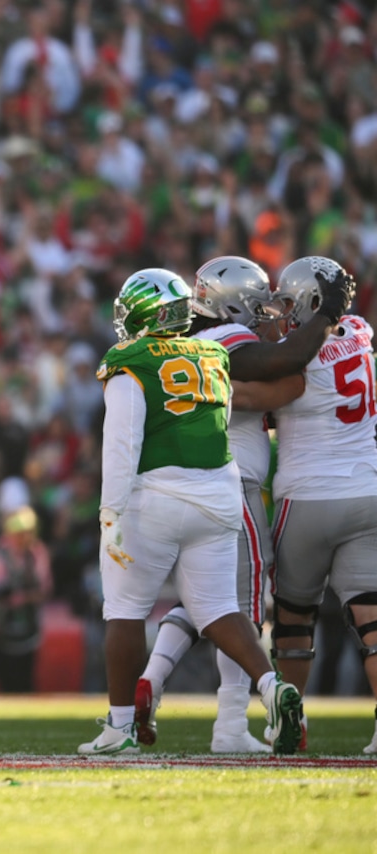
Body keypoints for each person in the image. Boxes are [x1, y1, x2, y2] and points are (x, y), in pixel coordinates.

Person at [134, 255, 354, 752]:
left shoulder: (187, 342)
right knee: (245, 603)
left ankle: (152, 677)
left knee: (206, 598)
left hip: (186, 483)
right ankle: (231, 724)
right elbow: (287, 366)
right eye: (257, 306)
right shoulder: (226, 339)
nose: (265, 316)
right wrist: (325, 316)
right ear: (231, 304)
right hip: (232, 481)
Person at [82, 267, 303, 756]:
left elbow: (122, 444)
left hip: (156, 496)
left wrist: (111, 516)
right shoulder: (213, 354)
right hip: (220, 495)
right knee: (218, 608)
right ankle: (271, 686)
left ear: (146, 311)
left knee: (124, 610)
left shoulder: (129, 359)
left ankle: (120, 728)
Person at [263, 256, 377, 755]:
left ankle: (294, 723)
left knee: (292, 621)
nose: (284, 313)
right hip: (368, 491)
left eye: (290, 303)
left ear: (312, 302)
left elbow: (284, 366)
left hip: (309, 496)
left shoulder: (293, 355)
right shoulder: (361, 329)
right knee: (372, 622)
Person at [0, 505, 53, 693]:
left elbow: (45, 589)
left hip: (30, 628)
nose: (24, 538)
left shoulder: (38, 553)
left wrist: (22, 598)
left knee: (26, 677)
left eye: (28, 533)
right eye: (19, 533)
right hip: (2, 629)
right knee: (4, 677)